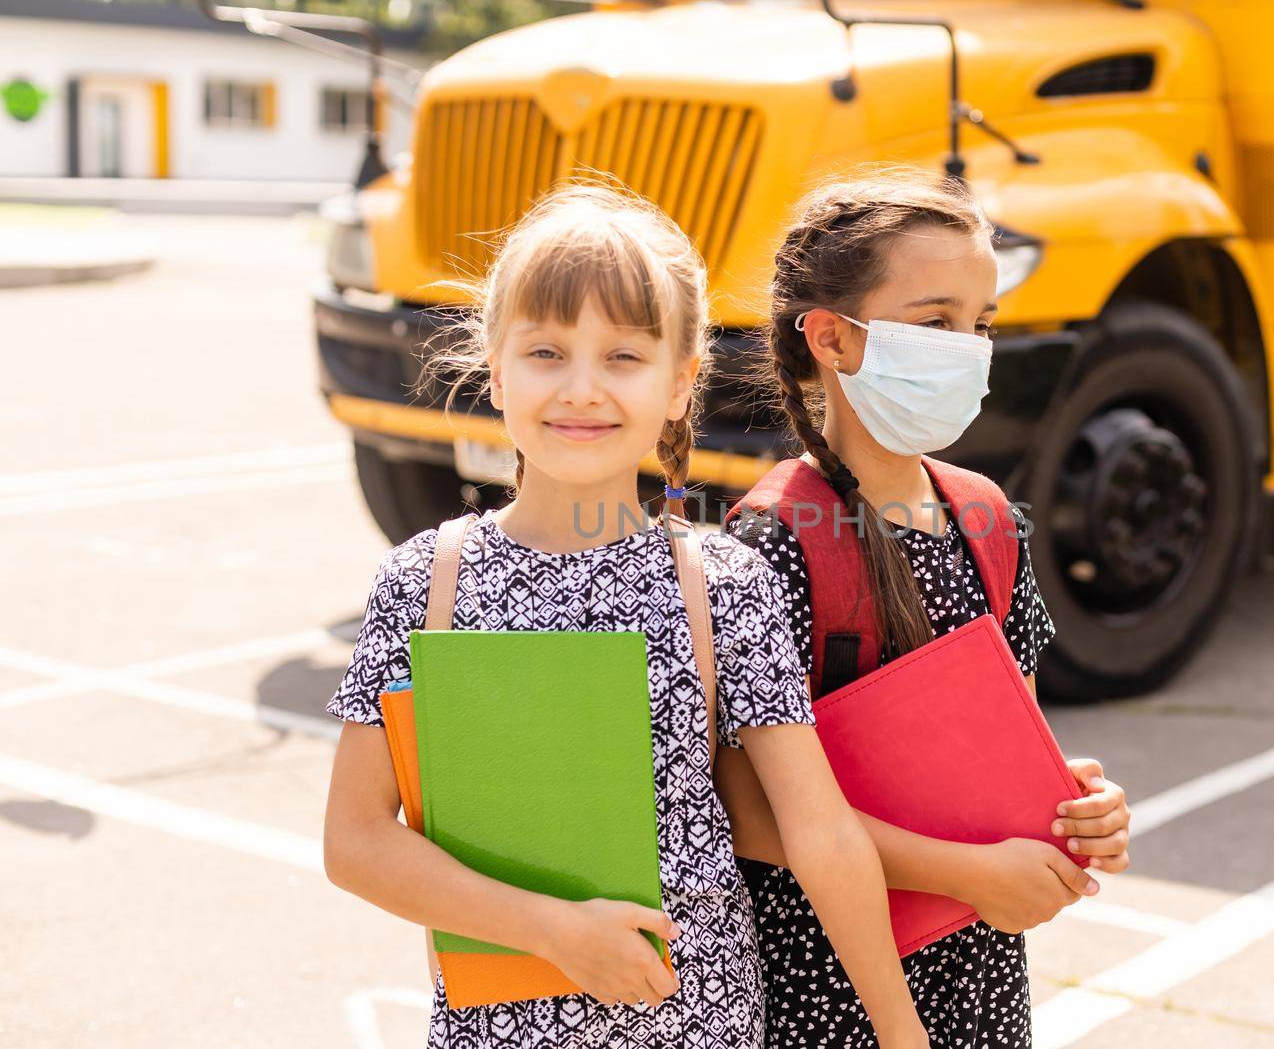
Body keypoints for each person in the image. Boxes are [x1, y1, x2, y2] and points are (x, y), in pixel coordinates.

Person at [321, 184, 929, 1049]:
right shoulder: (426, 582)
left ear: (681, 385)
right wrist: (552, 929)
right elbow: (355, 841)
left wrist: (901, 1032)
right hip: (497, 1031)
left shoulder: (722, 584)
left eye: (623, 357)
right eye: (545, 351)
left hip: (698, 1025)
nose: (581, 389)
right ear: (495, 369)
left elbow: (820, 831)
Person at [716, 170, 1133, 1047]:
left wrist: (1076, 807)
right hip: (826, 989)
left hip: (978, 974)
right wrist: (976, 871)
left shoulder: (987, 516)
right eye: (935, 322)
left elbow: (1001, 742)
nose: (967, 348)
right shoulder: (770, 541)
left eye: (980, 324)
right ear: (831, 338)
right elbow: (751, 810)